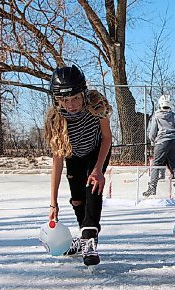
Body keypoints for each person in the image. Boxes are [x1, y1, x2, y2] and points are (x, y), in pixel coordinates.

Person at [45, 65, 112, 266]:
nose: (71, 104)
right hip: (73, 155)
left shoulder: (96, 103)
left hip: (97, 150)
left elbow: (107, 138)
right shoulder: (55, 118)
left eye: (75, 98)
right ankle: (84, 236)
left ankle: (90, 238)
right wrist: (53, 202)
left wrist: (98, 169)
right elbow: (57, 161)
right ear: (56, 99)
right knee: (76, 200)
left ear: (83, 93)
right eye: (64, 100)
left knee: (93, 187)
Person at [143, 94, 175, 197]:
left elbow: (152, 132)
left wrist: (152, 140)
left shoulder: (156, 116)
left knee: (156, 165)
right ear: (170, 104)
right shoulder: (174, 115)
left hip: (161, 142)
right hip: (174, 142)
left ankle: (152, 188)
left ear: (160, 104)